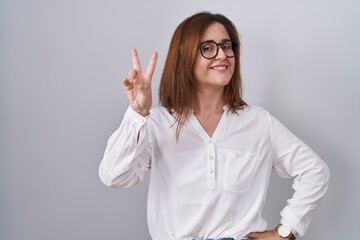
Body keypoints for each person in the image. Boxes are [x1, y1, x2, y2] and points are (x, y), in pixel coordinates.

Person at [99, 12, 330, 240]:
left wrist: (286, 232)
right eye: (208, 48)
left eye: (227, 46)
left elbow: (315, 171)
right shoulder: (158, 123)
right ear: (185, 57)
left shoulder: (258, 122)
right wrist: (138, 114)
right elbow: (114, 176)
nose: (222, 55)